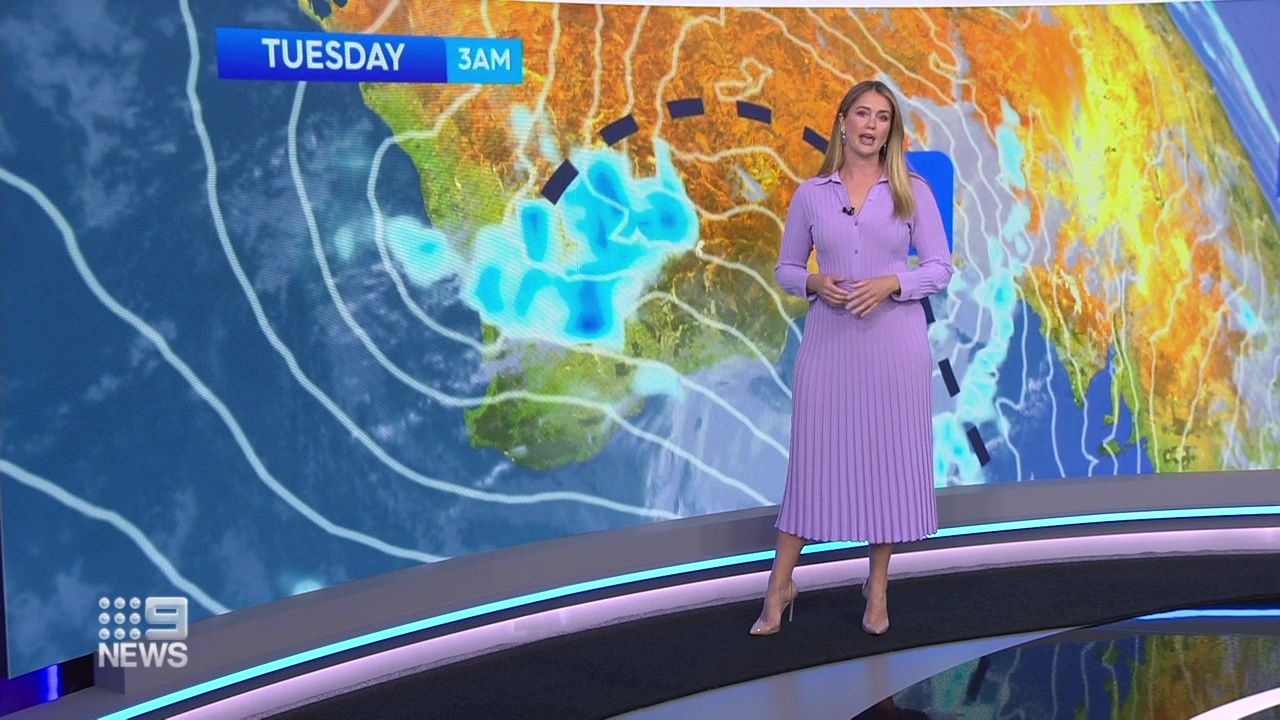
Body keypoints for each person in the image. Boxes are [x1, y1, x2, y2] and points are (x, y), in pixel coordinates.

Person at [749, 80, 953, 637]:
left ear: (891, 130)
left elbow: (939, 267)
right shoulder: (812, 194)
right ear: (842, 121)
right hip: (830, 350)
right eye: (862, 114)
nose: (871, 125)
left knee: (886, 468)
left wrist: (892, 282)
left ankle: (877, 587)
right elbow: (787, 269)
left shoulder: (912, 191)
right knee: (811, 466)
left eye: (882, 117)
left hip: (895, 350)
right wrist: (816, 282)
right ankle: (780, 585)